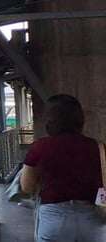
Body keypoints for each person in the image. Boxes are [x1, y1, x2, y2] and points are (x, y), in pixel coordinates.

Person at [20, 93, 106, 241]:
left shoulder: (39, 147)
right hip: (93, 220)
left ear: (50, 120)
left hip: (54, 219)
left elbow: (27, 187)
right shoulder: (99, 148)